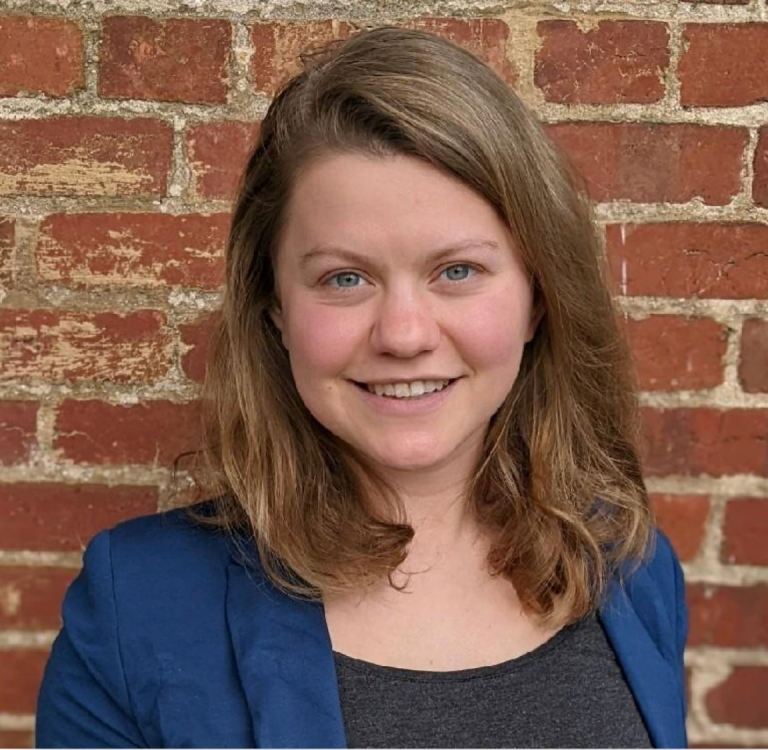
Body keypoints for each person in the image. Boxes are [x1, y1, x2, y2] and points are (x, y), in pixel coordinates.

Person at [35, 26, 688, 749]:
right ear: (276, 309)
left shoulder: (629, 567)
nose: (404, 334)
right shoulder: (138, 610)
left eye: (458, 271)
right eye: (344, 278)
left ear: (538, 296)